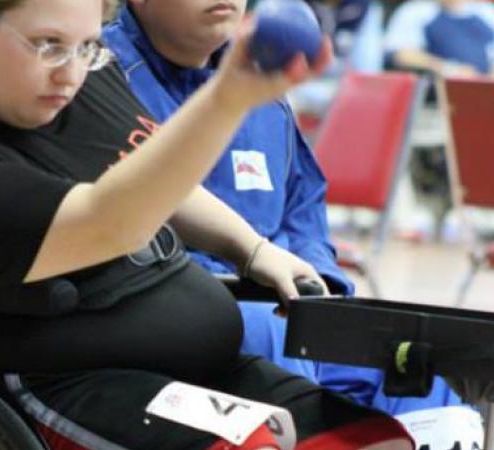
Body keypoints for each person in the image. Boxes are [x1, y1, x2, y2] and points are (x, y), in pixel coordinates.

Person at [0, 0, 414, 448]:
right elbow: (111, 221)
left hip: (192, 370)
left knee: (377, 439)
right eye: (49, 46)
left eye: (87, 47)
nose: (71, 72)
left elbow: (152, 171)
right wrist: (229, 97)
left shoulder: (65, 80)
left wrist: (253, 250)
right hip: (61, 386)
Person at [101, 0, 465, 418]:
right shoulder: (97, 78)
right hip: (173, 316)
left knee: (417, 369)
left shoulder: (264, 89)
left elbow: (303, 208)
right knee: (268, 329)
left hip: (282, 308)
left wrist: (317, 287)